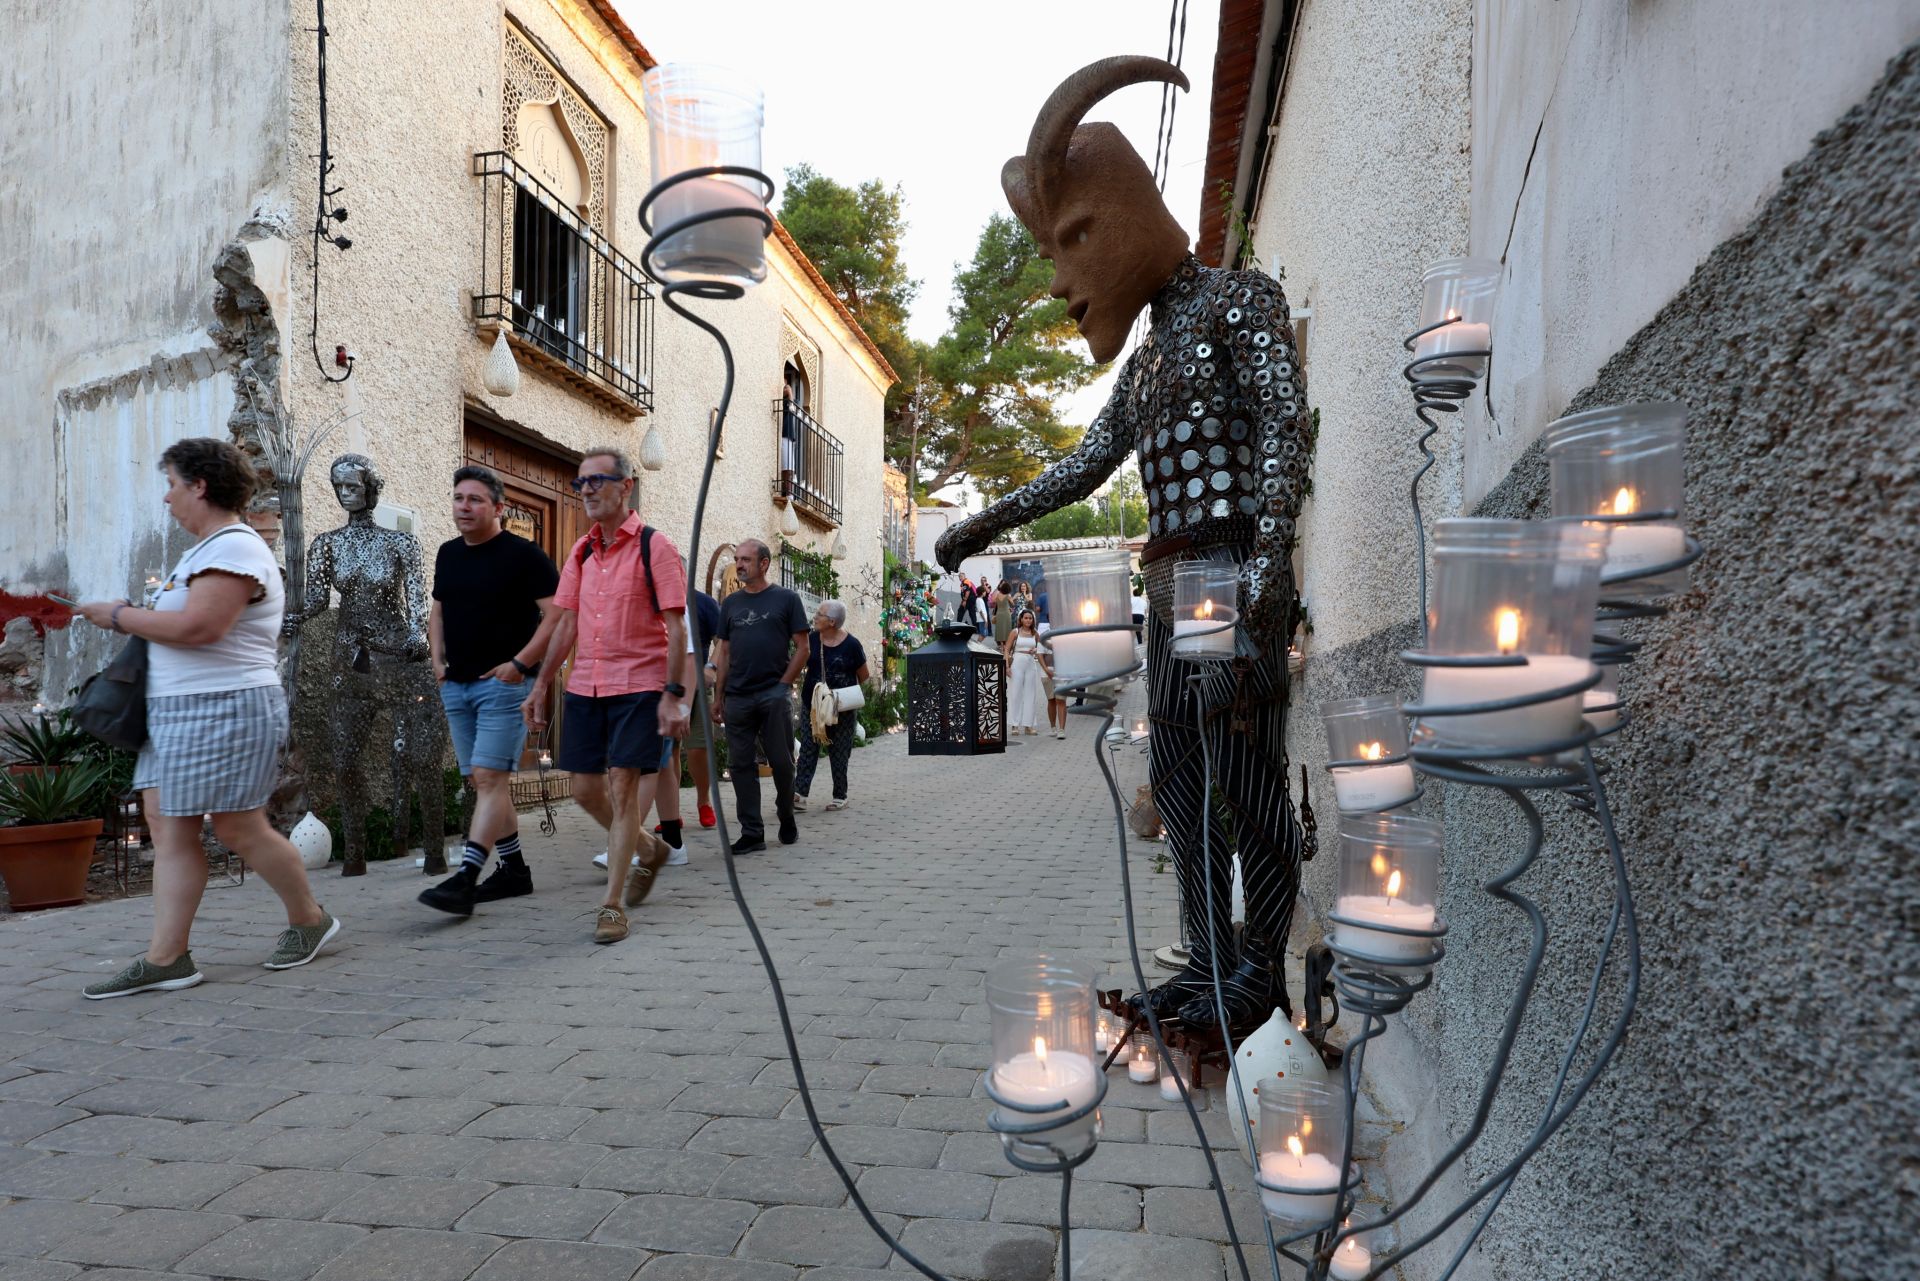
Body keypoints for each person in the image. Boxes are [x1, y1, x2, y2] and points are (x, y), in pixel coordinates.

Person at [936, 56, 1313, 1032]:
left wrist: (1269, 571)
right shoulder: (1144, 367)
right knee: (1183, 778)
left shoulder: (1240, 301)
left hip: (1227, 568)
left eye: (1073, 244)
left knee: (1243, 770)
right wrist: (984, 522)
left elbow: (1283, 425)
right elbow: (1083, 465)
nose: (1065, 286)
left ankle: (1262, 969)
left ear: (1125, 218)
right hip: (1174, 581)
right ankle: (1206, 961)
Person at [75, 438, 338, 998]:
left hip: (225, 706)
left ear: (200, 485)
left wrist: (120, 615)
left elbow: (201, 628)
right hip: (177, 711)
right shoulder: (202, 551)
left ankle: (310, 919)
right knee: (170, 826)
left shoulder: (237, 548)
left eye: (172, 484)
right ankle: (167, 957)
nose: (167, 498)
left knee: (239, 825)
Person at [523, 448, 689, 945]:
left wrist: (673, 693)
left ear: (626, 486)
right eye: (581, 483)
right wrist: (539, 684)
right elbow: (566, 622)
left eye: (598, 481)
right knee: (583, 791)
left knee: (621, 789)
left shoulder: (655, 547)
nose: (588, 490)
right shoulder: (579, 552)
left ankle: (613, 904)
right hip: (586, 686)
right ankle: (649, 848)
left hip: (639, 684)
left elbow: (678, 628)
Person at [418, 465, 559, 916]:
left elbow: (558, 617)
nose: (464, 506)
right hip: (456, 686)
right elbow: (438, 610)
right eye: (459, 497)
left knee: (490, 779)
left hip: (503, 687)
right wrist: (437, 662)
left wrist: (522, 666)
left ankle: (466, 878)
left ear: (498, 507)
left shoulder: (524, 555)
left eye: (475, 499)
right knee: (482, 781)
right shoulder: (448, 553)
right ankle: (515, 870)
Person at [711, 539, 809, 855]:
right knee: (740, 766)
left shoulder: (786, 599)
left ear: (763, 564)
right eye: (737, 559)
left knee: (782, 763)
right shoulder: (731, 604)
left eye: (746, 560)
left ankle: (785, 813)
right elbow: (724, 651)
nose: (739, 564)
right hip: (738, 698)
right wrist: (719, 695)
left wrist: (783, 685)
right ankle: (752, 833)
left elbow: (803, 648)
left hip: (772, 694)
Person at [794, 600, 869, 812]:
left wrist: (837, 692)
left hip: (841, 707)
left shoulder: (852, 645)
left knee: (840, 750)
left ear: (833, 622)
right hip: (814, 705)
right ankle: (800, 794)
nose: (815, 616)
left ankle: (840, 795)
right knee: (809, 747)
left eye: (820, 614)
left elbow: (864, 675)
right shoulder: (811, 640)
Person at [1003, 608, 1051, 736]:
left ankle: (1029, 725)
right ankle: (1014, 725)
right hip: (1017, 662)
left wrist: (1035, 650)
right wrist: (1006, 667)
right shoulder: (1015, 632)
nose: (1028, 620)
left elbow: (1041, 648)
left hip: (1031, 664)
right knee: (1015, 693)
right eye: (1026, 618)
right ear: (1021, 619)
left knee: (1031, 694)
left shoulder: (1035, 633)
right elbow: (1006, 649)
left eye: (1030, 618)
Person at [992, 580, 1015, 648]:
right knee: (1007, 629)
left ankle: (1001, 645)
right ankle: (1006, 645)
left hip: (999, 613)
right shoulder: (1008, 596)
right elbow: (1013, 604)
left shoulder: (998, 595)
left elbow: (994, 601)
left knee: (1000, 629)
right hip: (1006, 614)